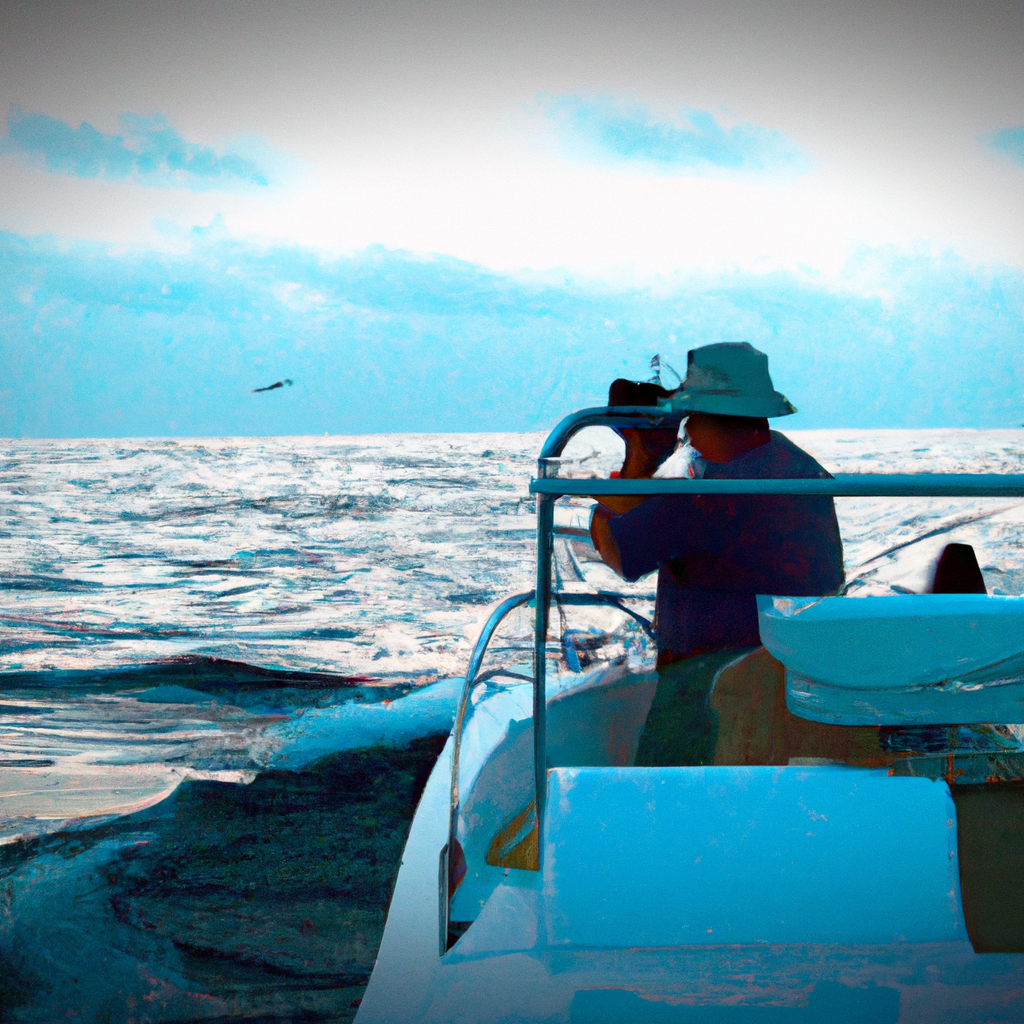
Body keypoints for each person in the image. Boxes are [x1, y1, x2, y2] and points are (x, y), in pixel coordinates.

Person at [592, 342, 845, 765]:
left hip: (707, 695)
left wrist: (641, 451)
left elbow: (619, 549)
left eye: (690, 416)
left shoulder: (711, 495)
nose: (685, 430)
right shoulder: (801, 471)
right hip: (797, 689)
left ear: (716, 417)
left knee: (667, 797)